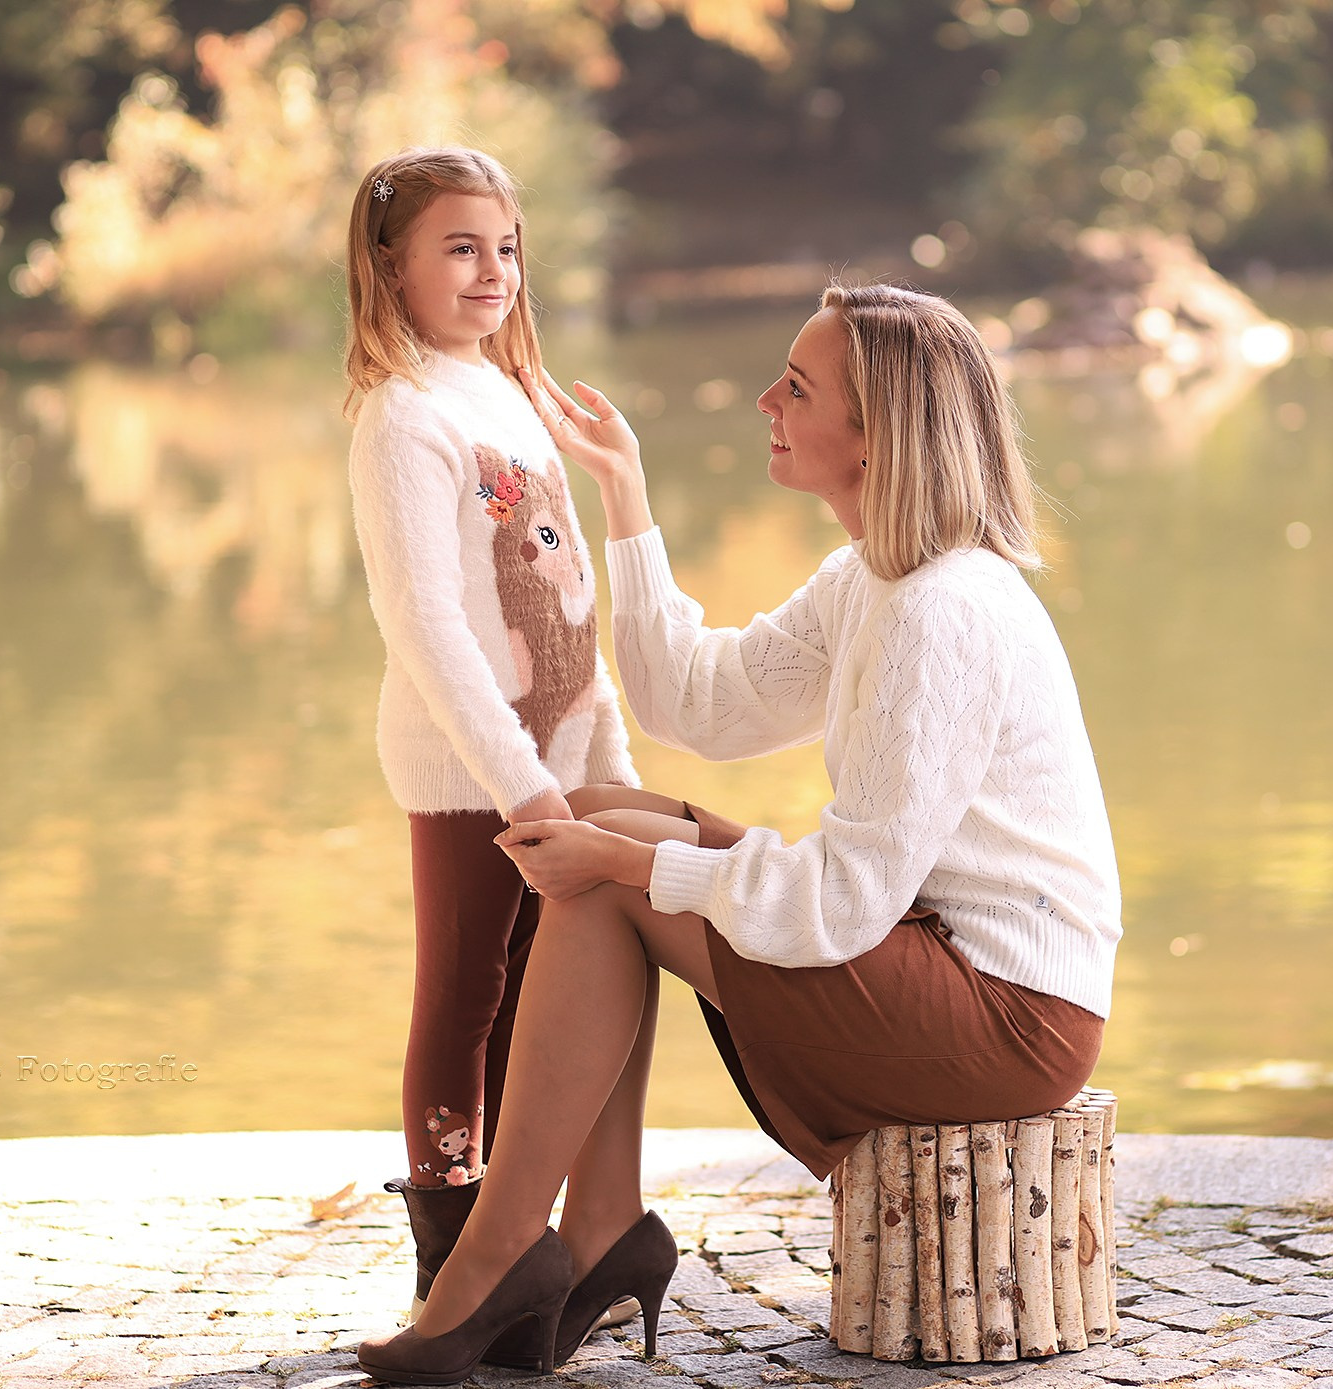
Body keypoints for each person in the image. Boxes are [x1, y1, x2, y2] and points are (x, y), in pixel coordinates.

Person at [353, 281, 1122, 1383]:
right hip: (920, 953)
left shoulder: (943, 612)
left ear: (873, 436)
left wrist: (631, 866)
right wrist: (623, 496)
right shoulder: (869, 578)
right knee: (601, 816)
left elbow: (846, 896)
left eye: (797, 387)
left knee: (611, 865)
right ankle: (600, 1223)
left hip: (1003, 1018)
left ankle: (491, 1264)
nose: (766, 398)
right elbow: (694, 704)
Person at [341, 146, 638, 1314]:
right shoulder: (401, 413)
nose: (491, 272)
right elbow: (423, 622)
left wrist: (601, 764)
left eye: (504, 248)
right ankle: (452, 1260)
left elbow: (567, 602)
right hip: (477, 771)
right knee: (465, 995)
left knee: (539, 1004)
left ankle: (528, 1246)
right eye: (458, 249)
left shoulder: (505, 391)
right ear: (390, 267)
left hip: (560, 761)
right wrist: (522, 786)